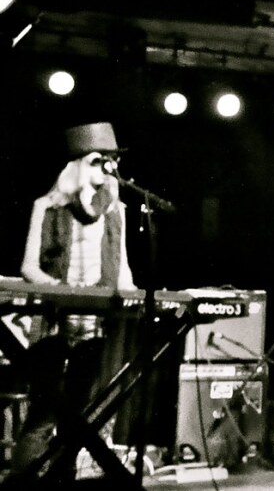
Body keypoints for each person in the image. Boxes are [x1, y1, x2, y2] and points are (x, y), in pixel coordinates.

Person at [11, 122, 137, 479]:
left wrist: (133, 297)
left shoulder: (116, 210)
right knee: (44, 414)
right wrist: (61, 291)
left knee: (79, 415)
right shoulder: (47, 207)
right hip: (55, 321)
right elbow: (28, 268)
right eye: (99, 160)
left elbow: (122, 268)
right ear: (79, 164)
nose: (108, 168)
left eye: (112, 161)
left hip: (96, 325)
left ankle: (60, 480)